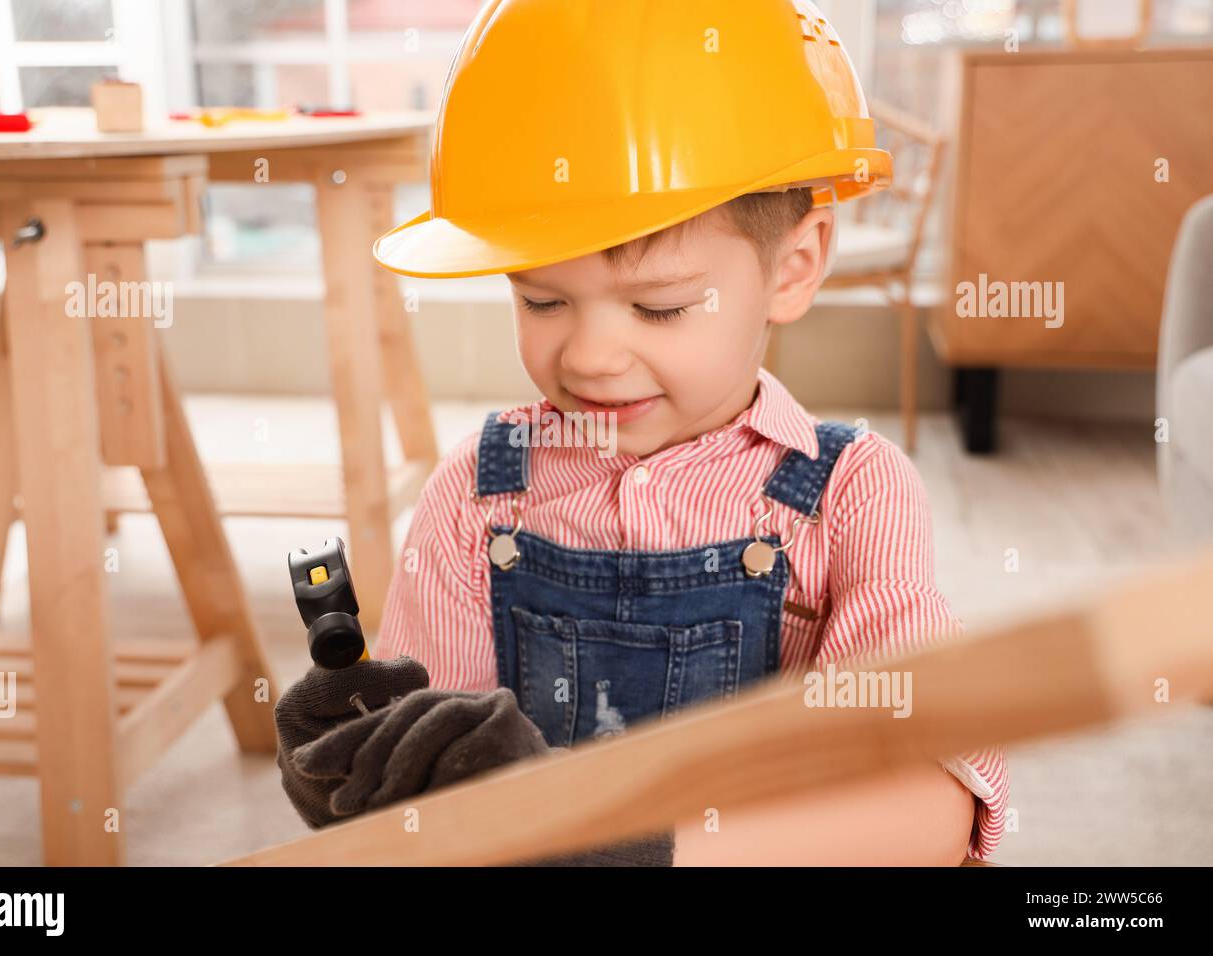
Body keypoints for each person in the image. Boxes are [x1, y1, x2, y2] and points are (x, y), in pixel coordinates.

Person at [277, 0, 1008, 865]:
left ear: (795, 266)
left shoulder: (850, 498)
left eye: (657, 306)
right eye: (540, 299)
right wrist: (365, 764)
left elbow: (927, 813)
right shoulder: (481, 496)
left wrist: (622, 847)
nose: (588, 355)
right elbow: (429, 799)